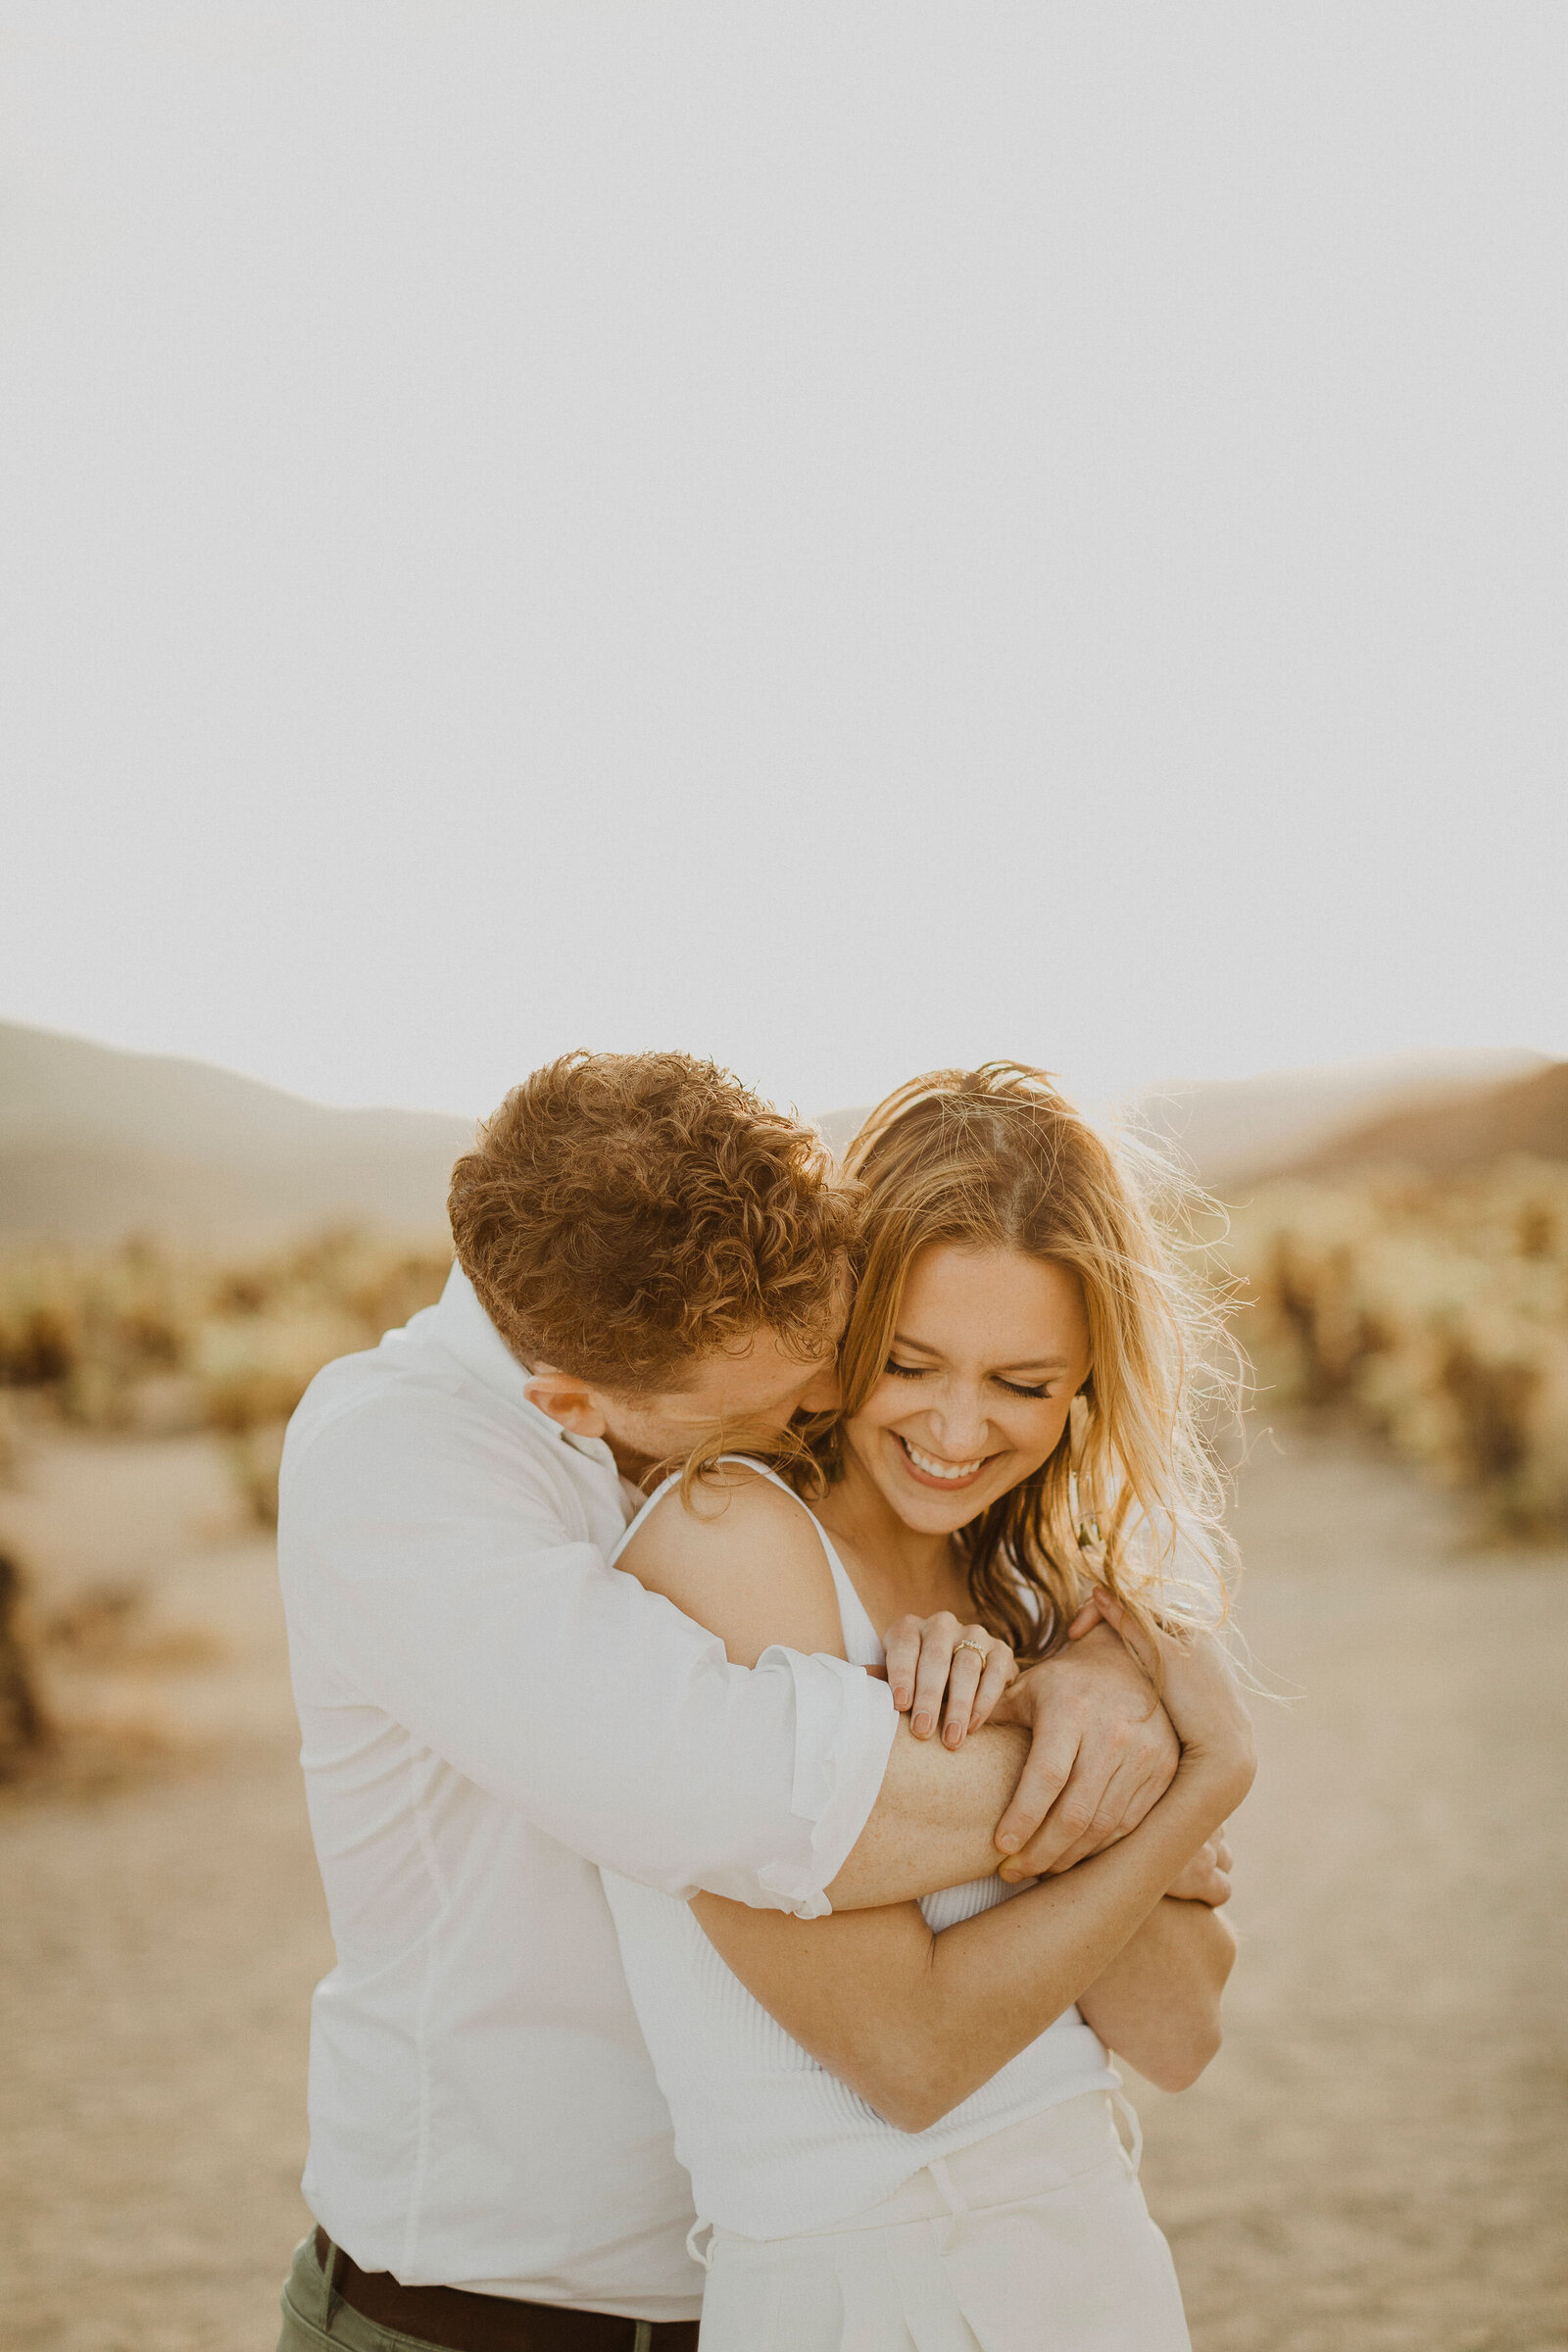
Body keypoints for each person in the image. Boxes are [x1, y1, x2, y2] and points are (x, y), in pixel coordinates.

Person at [274, 1053, 1185, 2352]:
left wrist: (1094, 1665)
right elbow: (755, 1800)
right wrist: (1121, 1761)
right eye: (781, 1396)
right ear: (571, 1405)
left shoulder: (708, 1385)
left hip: (743, 2292)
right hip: (480, 2313)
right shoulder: (396, 1465)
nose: (824, 1404)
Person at [602, 1063, 1254, 2350]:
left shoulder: (1046, 1595)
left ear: (1086, 1390)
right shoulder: (729, 1542)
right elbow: (911, 2057)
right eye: (910, 1364)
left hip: (1097, 2266)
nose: (960, 1431)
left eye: (1024, 1384)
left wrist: (1051, 1691)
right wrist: (1192, 1778)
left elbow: (1175, 2035)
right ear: (842, 1327)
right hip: (863, 2292)